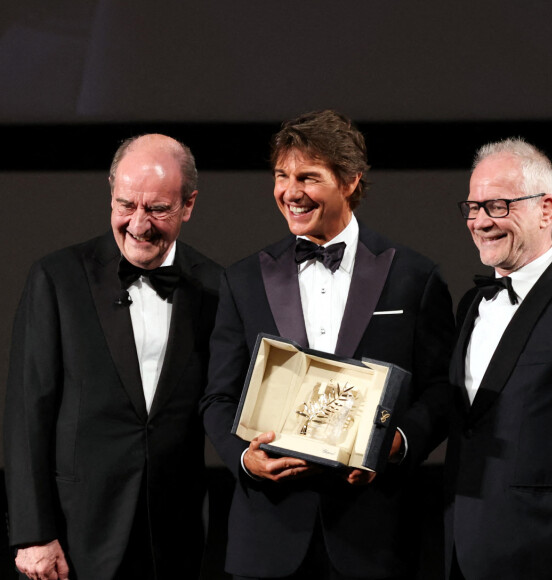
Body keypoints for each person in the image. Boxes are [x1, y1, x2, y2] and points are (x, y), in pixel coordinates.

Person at [201, 109, 454, 580]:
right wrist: (244, 458)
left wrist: (393, 445)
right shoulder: (242, 280)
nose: (290, 191)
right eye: (282, 175)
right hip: (268, 537)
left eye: (308, 177)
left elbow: (441, 390)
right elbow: (218, 396)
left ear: (351, 180)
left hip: (374, 537)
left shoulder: (414, 278)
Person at [4, 134, 222, 580]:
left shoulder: (216, 287)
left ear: (189, 204)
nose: (139, 225)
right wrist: (32, 534)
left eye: (157, 209)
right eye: (126, 205)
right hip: (76, 536)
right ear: (111, 191)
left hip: (174, 538)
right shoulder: (58, 278)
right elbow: (28, 413)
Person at [445, 138, 552, 579]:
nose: (481, 221)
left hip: (546, 553)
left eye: (499, 205)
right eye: (473, 207)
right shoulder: (471, 305)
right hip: (463, 547)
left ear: (546, 210)